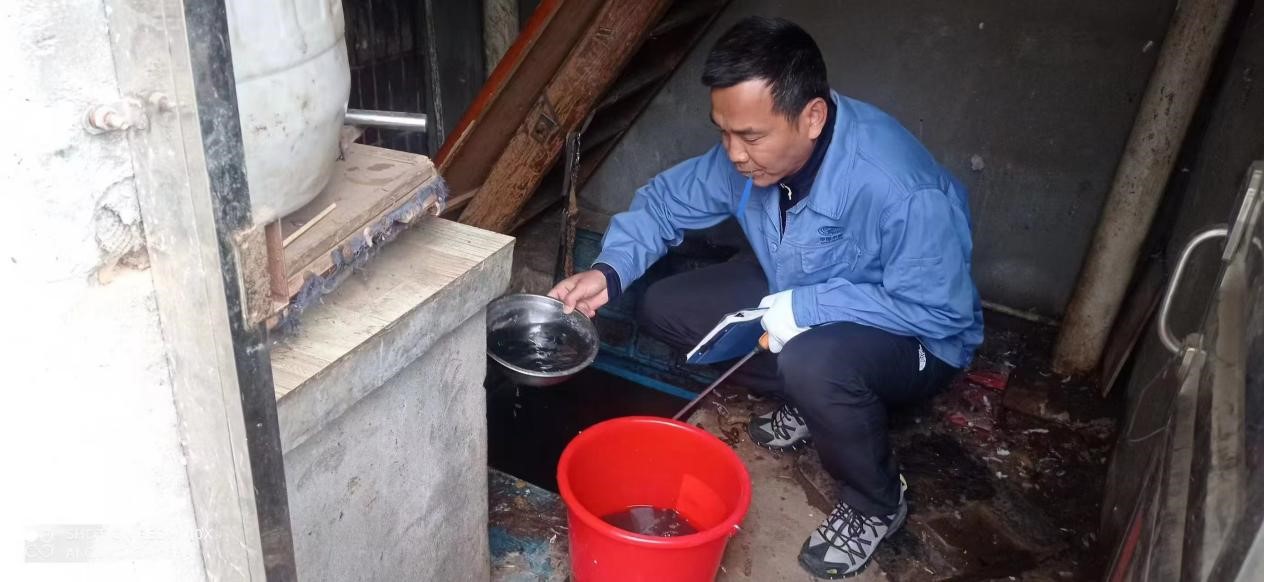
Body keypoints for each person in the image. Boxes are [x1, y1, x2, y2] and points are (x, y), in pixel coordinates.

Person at [548, 16, 983, 578]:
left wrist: (808, 310)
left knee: (814, 363)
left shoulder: (899, 187)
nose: (733, 154)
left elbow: (938, 311)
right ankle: (814, 398)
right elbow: (663, 203)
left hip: (916, 336)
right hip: (797, 291)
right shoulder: (747, 157)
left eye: (751, 137)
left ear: (812, 117)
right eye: (723, 133)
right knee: (664, 308)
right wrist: (609, 271)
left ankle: (876, 501)